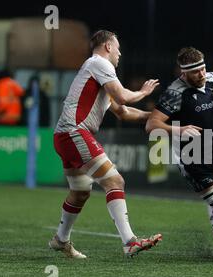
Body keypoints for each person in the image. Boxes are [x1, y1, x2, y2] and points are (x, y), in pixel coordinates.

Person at [49, 30, 162, 259]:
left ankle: (61, 240)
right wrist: (143, 91)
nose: (120, 54)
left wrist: (152, 115)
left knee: (80, 192)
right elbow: (123, 97)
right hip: (75, 133)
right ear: (108, 47)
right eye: (118, 48)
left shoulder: (99, 74)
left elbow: (123, 112)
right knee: (114, 180)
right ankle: (130, 242)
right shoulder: (99, 63)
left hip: (66, 135)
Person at [145, 47, 213, 261]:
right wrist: (180, 129)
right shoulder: (175, 92)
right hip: (192, 158)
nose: (202, 74)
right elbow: (151, 124)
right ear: (183, 73)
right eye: (196, 72)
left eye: (203, 68)